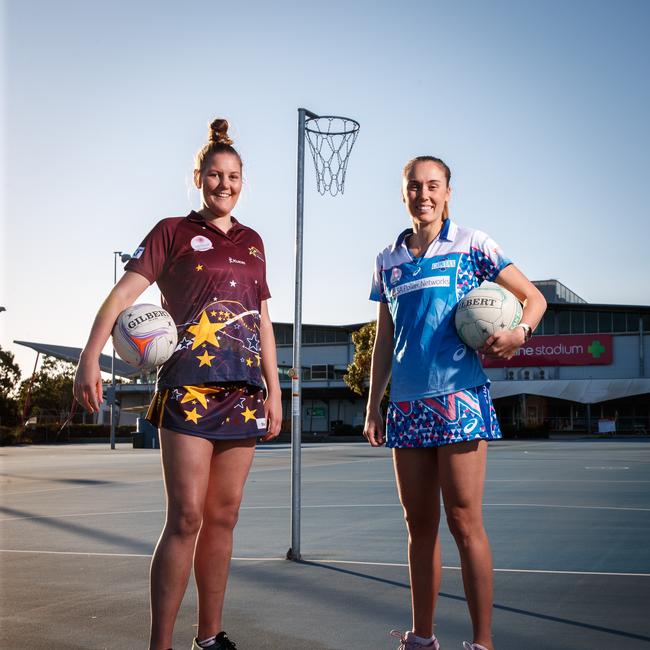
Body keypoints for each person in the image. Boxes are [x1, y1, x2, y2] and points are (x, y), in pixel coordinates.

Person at [74, 119, 282, 650]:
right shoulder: (171, 231)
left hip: (242, 393)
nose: (224, 185)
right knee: (186, 517)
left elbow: (261, 322)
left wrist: (274, 390)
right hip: (188, 390)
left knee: (223, 518)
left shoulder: (254, 243)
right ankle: (160, 646)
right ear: (197, 177)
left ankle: (208, 637)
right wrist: (89, 358)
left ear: (243, 181)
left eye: (233, 176)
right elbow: (121, 297)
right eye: (215, 175)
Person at [364, 156, 546, 650]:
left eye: (433, 186)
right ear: (403, 193)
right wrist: (373, 403)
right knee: (419, 526)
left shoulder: (473, 244)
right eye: (414, 186)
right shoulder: (387, 259)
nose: (423, 194)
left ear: (447, 192)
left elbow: (534, 298)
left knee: (464, 522)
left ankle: (482, 643)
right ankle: (422, 637)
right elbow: (386, 338)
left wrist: (518, 333)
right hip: (405, 404)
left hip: (459, 399)